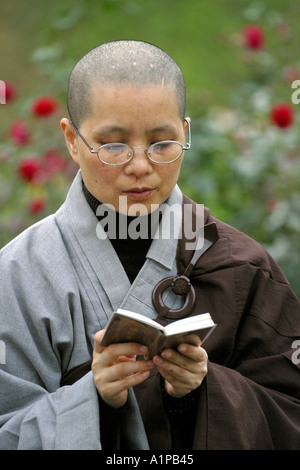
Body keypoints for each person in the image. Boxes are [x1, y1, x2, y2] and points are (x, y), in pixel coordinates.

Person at [0, 40, 299, 450]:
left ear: (186, 132)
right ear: (72, 139)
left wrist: (203, 390)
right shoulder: (18, 274)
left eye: (162, 144)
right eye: (113, 145)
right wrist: (93, 399)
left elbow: (291, 412)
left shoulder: (240, 264)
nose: (141, 166)